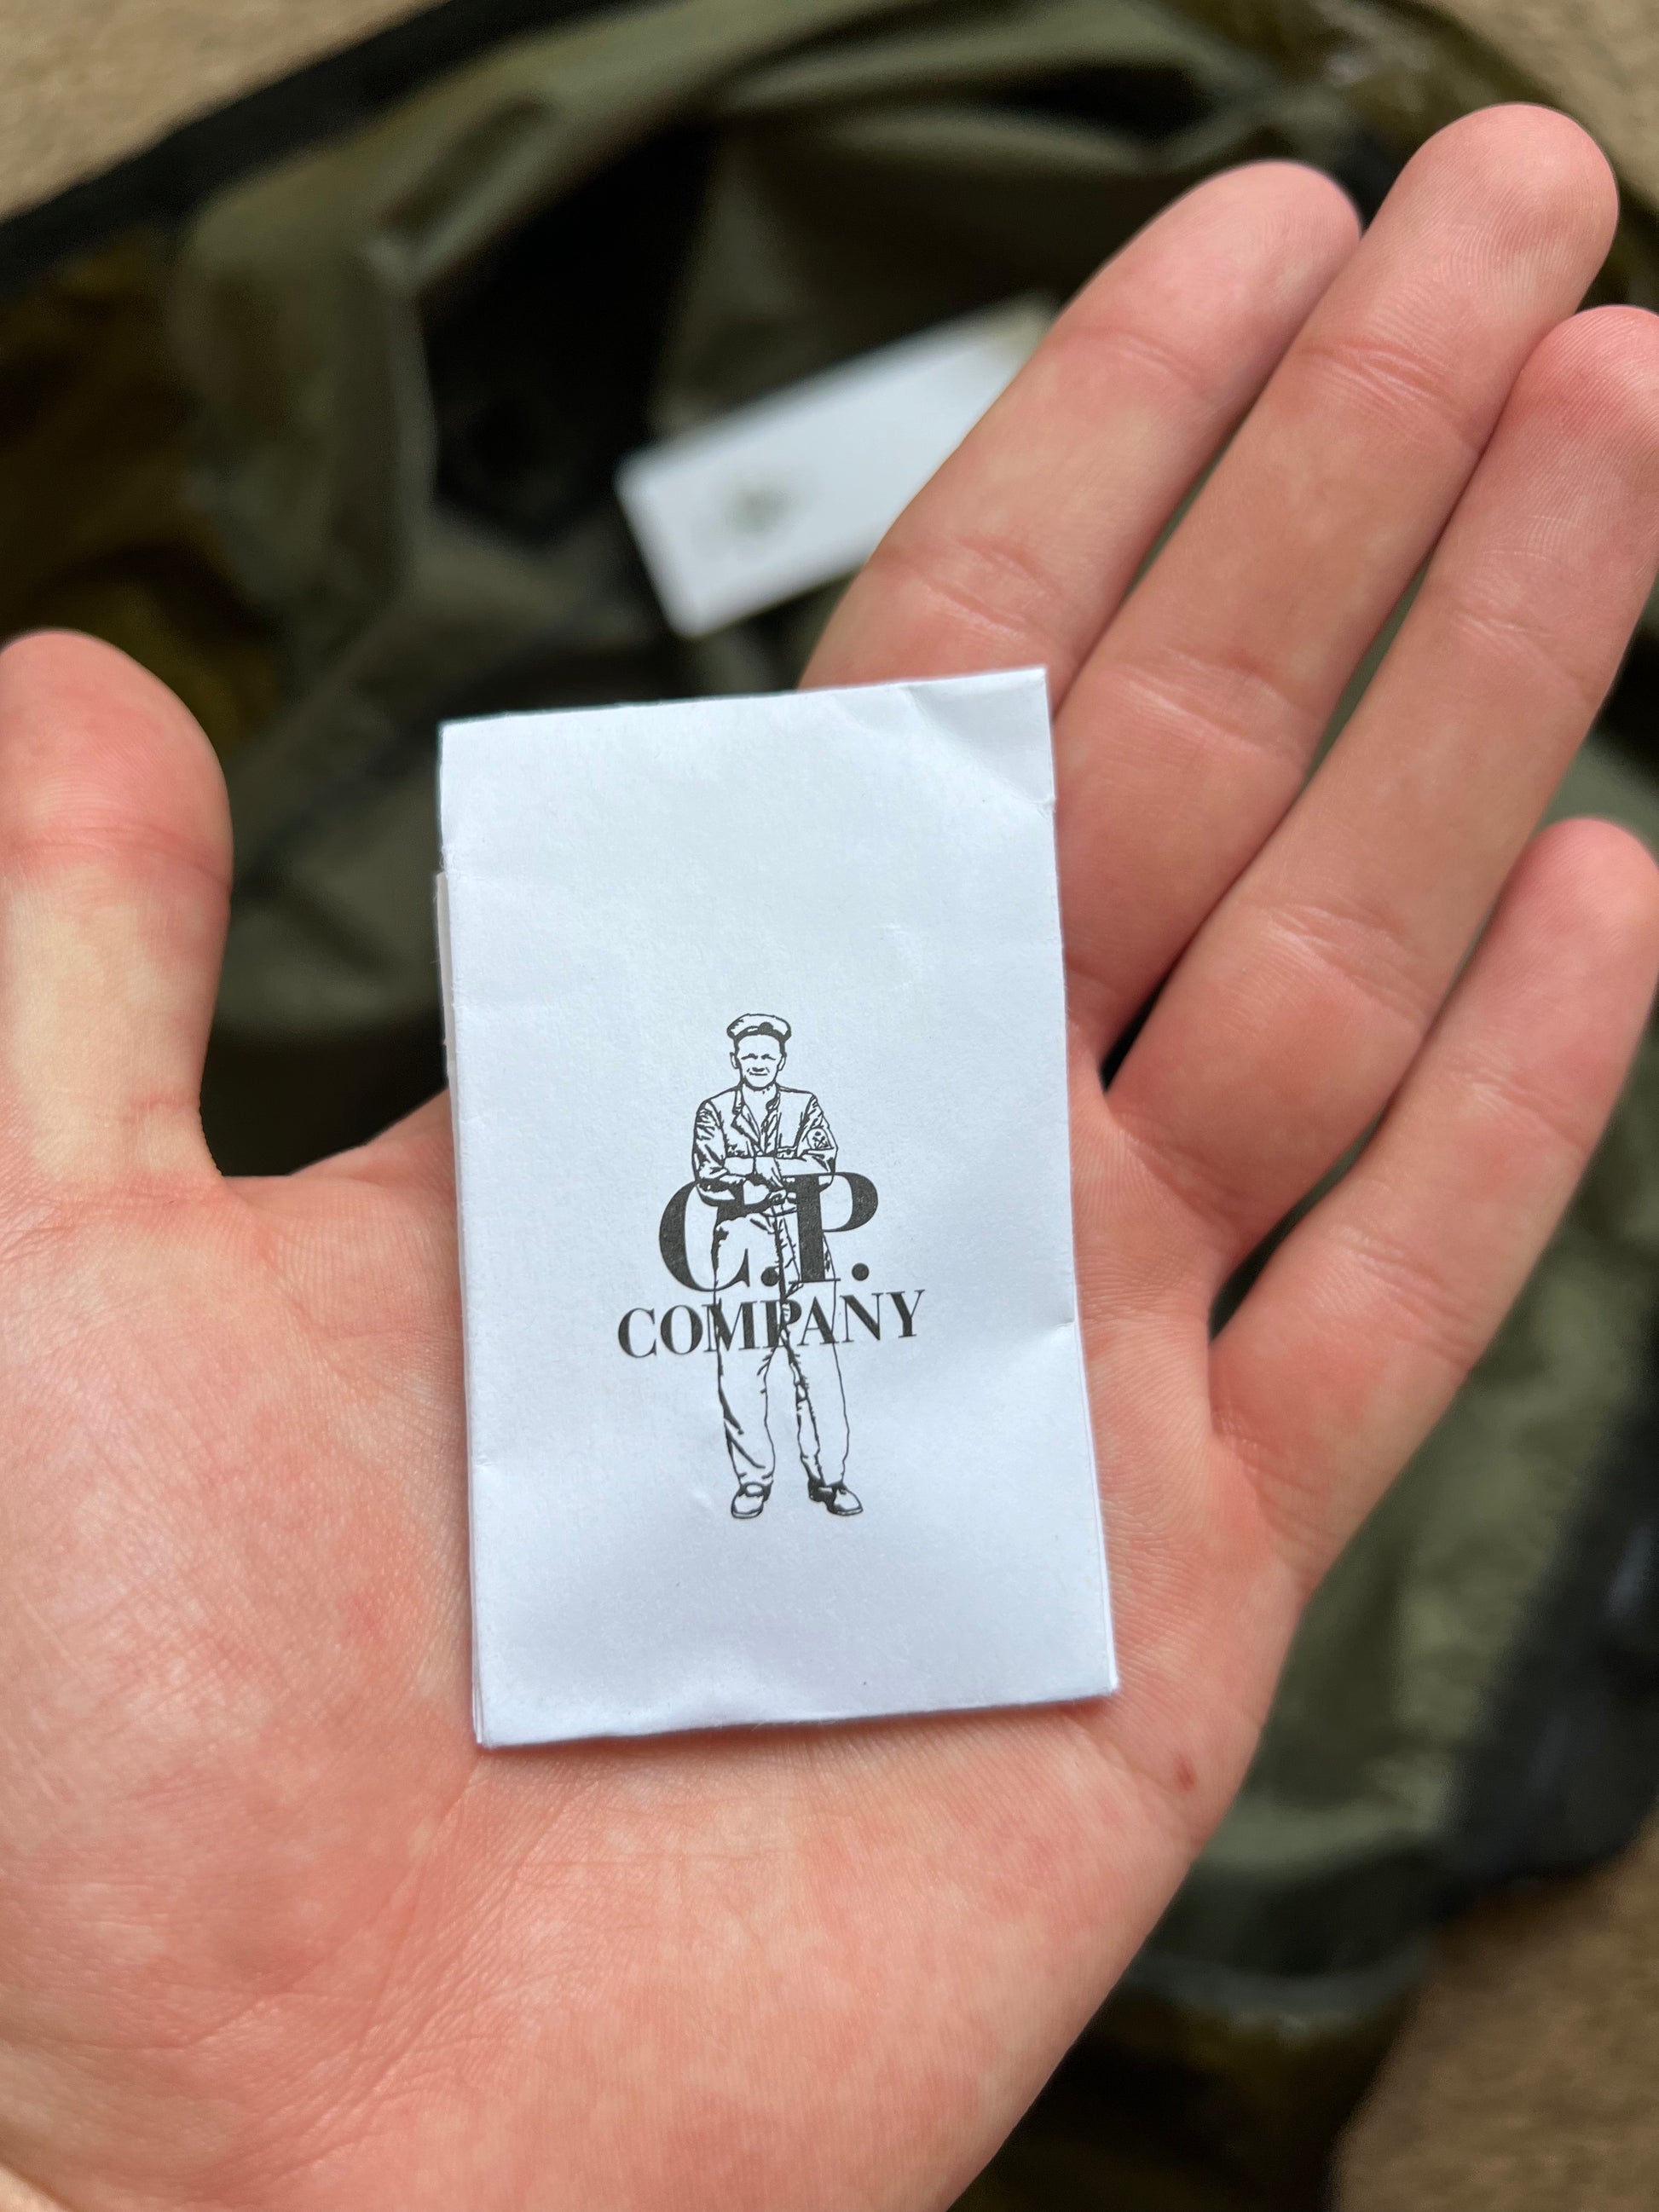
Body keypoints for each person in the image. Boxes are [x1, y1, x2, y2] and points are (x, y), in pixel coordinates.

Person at [0, 103, 1655, 2212]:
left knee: (805, 1382)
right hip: (731, 1257)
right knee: (744, 1379)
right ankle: (772, 1486)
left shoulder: (790, 1104)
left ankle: (810, 1484)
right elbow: (705, 1181)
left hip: (801, 1255)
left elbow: (816, 1177)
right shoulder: (724, 1106)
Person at [691, 1014, 860, 1520]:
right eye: (750, 1055)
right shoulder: (713, 1111)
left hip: (805, 1236)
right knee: (742, 1368)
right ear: (735, 1060)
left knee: (818, 1365)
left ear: (781, 1059)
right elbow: (709, 1179)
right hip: (742, 1247)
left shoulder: (805, 1105)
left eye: (767, 1055)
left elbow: (823, 1166)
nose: (759, 1063)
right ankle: (753, 1481)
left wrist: (755, 1168)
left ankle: (829, 1478)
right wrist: (768, 1175)